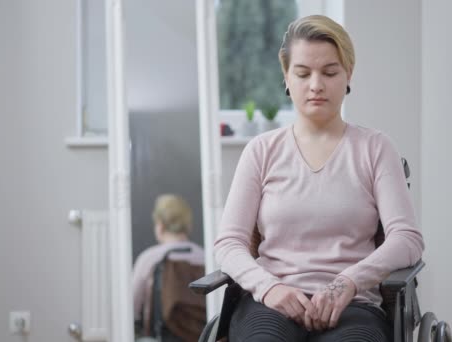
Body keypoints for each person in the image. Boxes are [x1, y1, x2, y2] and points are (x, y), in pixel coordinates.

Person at [214, 15, 424, 342]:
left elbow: (407, 239)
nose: (316, 85)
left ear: (348, 74)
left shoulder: (376, 148)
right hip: (272, 303)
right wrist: (270, 287)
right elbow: (228, 243)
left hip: (353, 306)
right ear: (286, 77)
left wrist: (347, 282)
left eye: (329, 72)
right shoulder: (261, 151)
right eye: (302, 73)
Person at [132, 194, 205, 340]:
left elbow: (131, 308)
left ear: (160, 225)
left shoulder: (149, 259)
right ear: (187, 225)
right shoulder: (204, 257)